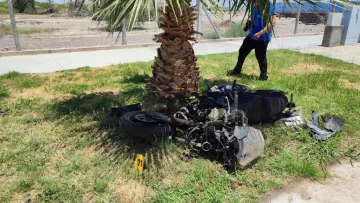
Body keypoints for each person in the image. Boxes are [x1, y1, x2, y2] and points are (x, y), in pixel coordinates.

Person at [227, 1, 277, 81]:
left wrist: (260, 33)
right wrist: (250, 23)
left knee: (260, 56)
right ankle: (237, 70)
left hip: (262, 37)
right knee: (242, 51)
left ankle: (263, 76)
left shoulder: (268, 5)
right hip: (252, 35)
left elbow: (273, 22)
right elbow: (256, 19)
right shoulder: (254, 5)